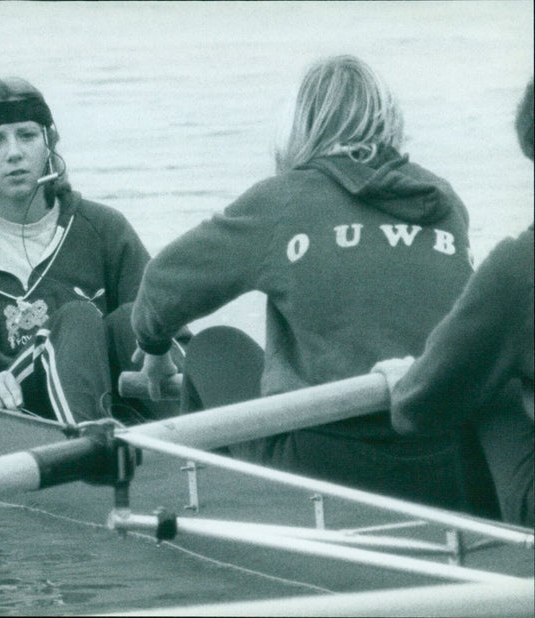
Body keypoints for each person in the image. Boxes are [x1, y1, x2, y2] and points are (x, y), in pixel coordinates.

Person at [130, 55, 479, 510]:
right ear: (390, 121)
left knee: (213, 346)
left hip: (330, 463)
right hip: (444, 459)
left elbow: (160, 288)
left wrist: (155, 353)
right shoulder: (442, 199)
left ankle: (206, 516)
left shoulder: (284, 199)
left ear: (301, 126)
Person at [0, 75, 185, 432]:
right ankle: (92, 454)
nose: (14, 152)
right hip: (11, 418)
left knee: (133, 320)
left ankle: (212, 447)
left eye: (27, 135)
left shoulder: (103, 229)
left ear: (49, 142)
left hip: (112, 412)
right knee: (79, 320)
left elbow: (172, 343)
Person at [375, 79, 534, 526]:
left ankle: (488, 543)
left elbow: (417, 409)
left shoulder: (519, 267)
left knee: (488, 379)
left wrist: (401, 378)